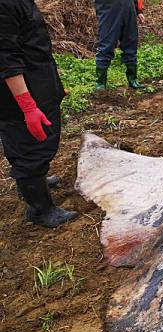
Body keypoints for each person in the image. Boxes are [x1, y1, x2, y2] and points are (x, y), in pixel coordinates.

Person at [0, 0, 79, 228]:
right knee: (30, 147)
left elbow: (31, 44)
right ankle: (40, 209)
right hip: (21, 93)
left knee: (35, 142)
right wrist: (28, 107)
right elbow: (6, 60)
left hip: (37, 80)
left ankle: (35, 182)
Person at [94, 0, 145, 90]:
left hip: (129, 6)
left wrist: (139, 10)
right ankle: (100, 82)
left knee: (131, 41)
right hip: (109, 7)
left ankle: (133, 79)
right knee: (107, 44)